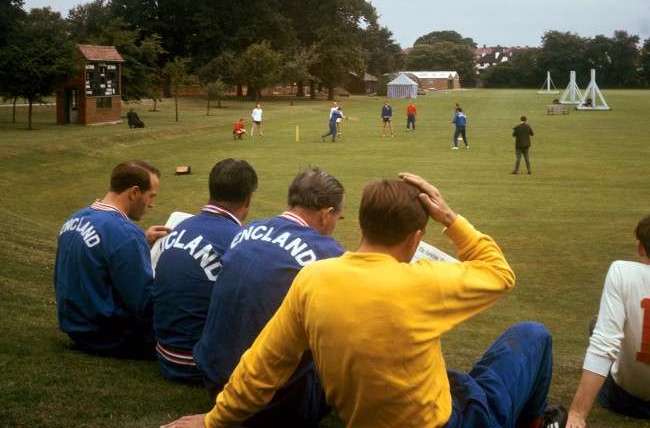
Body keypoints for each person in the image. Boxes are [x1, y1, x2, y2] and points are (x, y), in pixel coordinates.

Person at [163, 173, 566, 428]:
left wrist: (214, 421)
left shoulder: (313, 279)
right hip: (448, 421)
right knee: (532, 335)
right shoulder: (424, 283)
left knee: (452, 378)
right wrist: (451, 218)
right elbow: (500, 273)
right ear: (415, 238)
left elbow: (262, 365)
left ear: (360, 223)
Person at [192, 168, 346, 427]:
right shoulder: (327, 253)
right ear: (326, 214)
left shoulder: (247, 230)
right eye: (338, 218)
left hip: (215, 378)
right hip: (269, 401)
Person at [153, 159, 258, 383]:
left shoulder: (180, 227)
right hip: (199, 364)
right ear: (248, 199)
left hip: (165, 352)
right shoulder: (240, 241)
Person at [54, 160, 168, 357]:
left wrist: (141, 240)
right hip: (109, 335)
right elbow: (144, 302)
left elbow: (102, 246)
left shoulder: (75, 218)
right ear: (134, 192)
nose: (152, 204)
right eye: (151, 196)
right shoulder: (126, 234)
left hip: (76, 326)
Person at [566, 216, 650, 426]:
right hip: (630, 398)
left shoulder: (623, 272)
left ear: (640, 248)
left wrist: (577, 414)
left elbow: (604, 344)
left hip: (627, 400)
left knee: (597, 326)